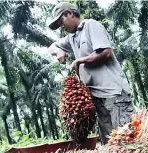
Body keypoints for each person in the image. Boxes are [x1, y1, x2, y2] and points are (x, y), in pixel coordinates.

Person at [47, 2, 133, 144]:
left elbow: (105, 53)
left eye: (60, 21)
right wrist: (59, 50)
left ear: (69, 13)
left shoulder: (90, 25)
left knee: (127, 139)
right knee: (110, 144)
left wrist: (79, 61)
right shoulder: (72, 38)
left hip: (114, 94)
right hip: (96, 98)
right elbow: (51, 47)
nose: (61, 26)